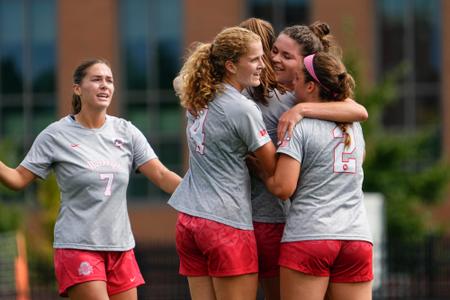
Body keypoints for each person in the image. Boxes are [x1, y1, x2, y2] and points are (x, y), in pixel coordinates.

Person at [0, 58, 182, 300]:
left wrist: (200, 193)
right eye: (96, 79)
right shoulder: (56, 135)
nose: (104, 85)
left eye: (109, 80)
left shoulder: (126, 131)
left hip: (121, 247)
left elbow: (161, 175)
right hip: (77, 246)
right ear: (78, 88)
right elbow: (17, 179)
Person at [239, 18, 368, 300]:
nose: (274, 59)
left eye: (286, 55)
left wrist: (301, 111)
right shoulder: (346, 126)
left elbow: (360, 110)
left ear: (309, 72)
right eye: (274, 51)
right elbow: (358, 116)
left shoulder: (297, 112)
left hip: (297, 228)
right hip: (354, 234)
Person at [168, 26, 277, 300]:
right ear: (230, 65)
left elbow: (179, 80)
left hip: (189, 221)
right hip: (225, 222)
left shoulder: (195, 92)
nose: (262, 66)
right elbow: (274, 166)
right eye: (254, 59)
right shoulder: (242, 108)